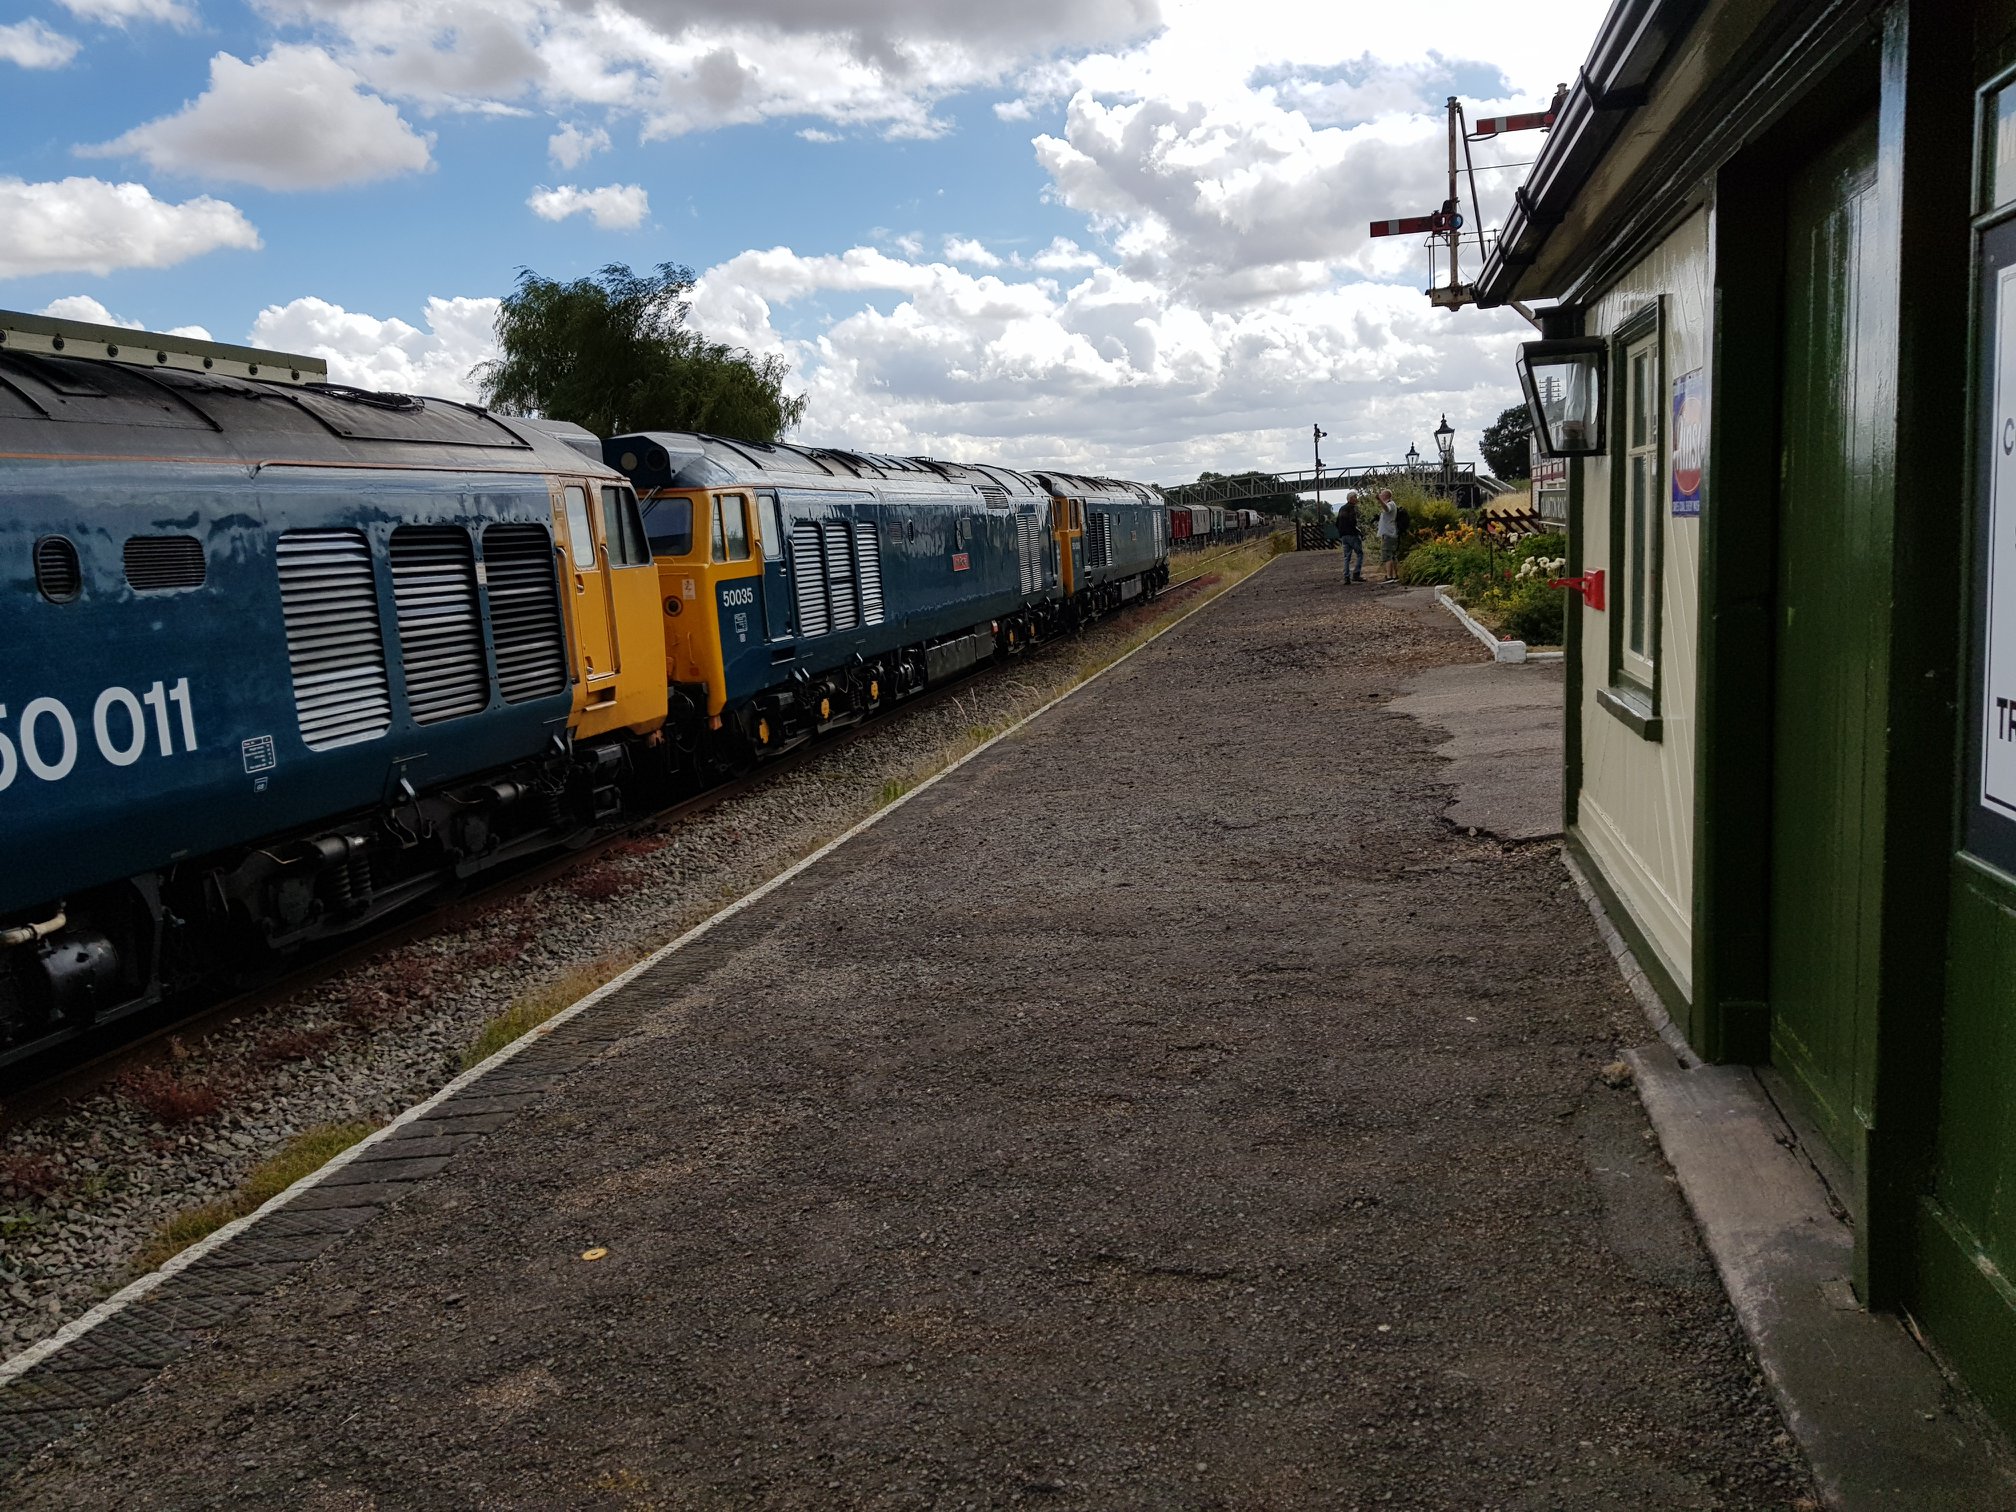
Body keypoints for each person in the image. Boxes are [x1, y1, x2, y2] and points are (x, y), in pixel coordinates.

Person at [1334, 493, 1364, 583]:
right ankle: (1356, 573)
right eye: (1355, 497)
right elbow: (1353, 522)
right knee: (1360, 553)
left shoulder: (1341, 508)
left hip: (1343, 536)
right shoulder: (1352, 509)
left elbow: (1337, 523)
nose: (1356, 499)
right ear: (1351, 499)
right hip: (1352, 534)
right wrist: (1358, 531)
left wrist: (1341, 532)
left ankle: (1346, 576)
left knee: (1347, 557)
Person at [1376, 489, 1401, 582]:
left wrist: (1379, 500)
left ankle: (1389, 576)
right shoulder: (1392, 504)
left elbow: (1386, 508)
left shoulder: (1390, 504)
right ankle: (1395, 576)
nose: (1380, 495)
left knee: (1387, 555)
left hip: (1388, 534)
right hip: (1391, 534)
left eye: (1381, 494)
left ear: (1385, 496)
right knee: (1393, 556)